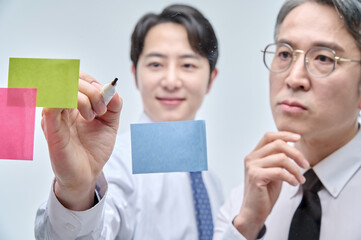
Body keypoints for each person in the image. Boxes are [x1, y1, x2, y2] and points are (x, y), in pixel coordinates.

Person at [35, 4, 224, 240]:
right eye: (156, 64)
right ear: (135, 74)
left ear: (211, 78)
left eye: (188, 65)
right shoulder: (113, 164)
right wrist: (77, 192)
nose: (171, 80)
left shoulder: (211, 181)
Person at [214, 0, 361, 239]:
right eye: (284, 53)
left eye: (323, 58)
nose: (294, 78)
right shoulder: (241, 203)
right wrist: (247, 225)